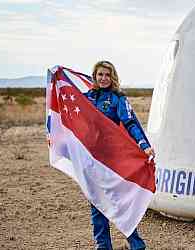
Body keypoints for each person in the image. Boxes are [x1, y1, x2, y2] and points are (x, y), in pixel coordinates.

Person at [84, 60, 155, 250]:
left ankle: (136, 244)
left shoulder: (118, 99)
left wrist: (144, 145)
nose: (104, 78)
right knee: (96, 201)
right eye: (100, 75)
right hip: (90, 159)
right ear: (95, 76)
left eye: (107, 75)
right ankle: (102, 246)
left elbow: (130, 123)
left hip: (111, 160)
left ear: (112, 77)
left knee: (118, 203)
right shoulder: (86, 98)